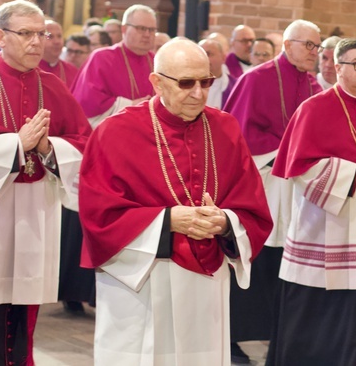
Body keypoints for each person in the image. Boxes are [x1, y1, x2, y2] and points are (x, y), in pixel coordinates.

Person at [79, 38, 273, 364]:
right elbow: (98, 214)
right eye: (186, 83)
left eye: (205, 82)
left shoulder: (225, 127)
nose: (198, 93)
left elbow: (252, 204)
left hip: (207, 282)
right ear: (157, 82)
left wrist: (226, 222)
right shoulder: (115, 131)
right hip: (143, 278)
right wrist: (168, 220)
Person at [266, 38, 356, 365]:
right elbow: (300, 167)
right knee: (321, 319)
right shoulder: (314, 109)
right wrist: (353, 172)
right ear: (338, 67)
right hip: (325, 229)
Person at [0, 0, 92, 365]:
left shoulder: (53, 86)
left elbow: (85, 143)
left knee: (25, 306)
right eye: (25, 33)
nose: (37, 42)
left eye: (41, 33)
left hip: (36, 210)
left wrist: (48, 147)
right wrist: (16, 145)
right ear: (0, 36)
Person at [223, 19, 322, 363]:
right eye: (309, 45)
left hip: (297, 189)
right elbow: (234, 134)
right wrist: (281, 153)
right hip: (261, 182)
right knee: (253, 259)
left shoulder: (315, 86)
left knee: (286, 262)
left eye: (317, 47)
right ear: (288, 44)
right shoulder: (256, 79)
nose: (314, 53)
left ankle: (281, 342)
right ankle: (231, 339)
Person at [72, 4, 157, 127]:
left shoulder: (157, 61)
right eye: (141, 28)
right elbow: (88, 102)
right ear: (124, 29)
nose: (147, 34)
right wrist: (131, 105)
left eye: (152, 30)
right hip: (113, 134)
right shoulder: (102, 58)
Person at [39, 19, 78, 89]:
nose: (57, 42)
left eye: (59, 36)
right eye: (50, 37)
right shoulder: (28, 69)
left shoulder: (72, 71)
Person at [200, 38, 234, 109]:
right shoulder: (188, 85)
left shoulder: (235, 86)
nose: (203, 58)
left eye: (208, 54)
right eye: (200, 54)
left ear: (223, 58)